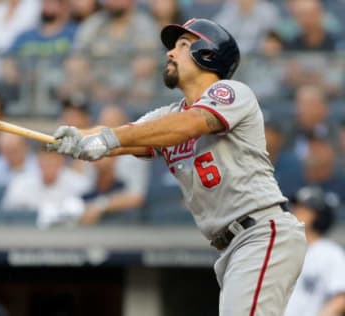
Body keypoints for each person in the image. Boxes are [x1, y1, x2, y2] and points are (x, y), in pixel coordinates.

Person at [48, 18, 307, 315]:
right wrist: (75, 137)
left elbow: (189, 124)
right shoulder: (169, 115)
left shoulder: (232, 92)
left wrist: (108, 139)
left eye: (183, 45)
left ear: (208, 54)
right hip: (233, 244)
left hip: (260, 232)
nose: (170, 53)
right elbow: (125, 135)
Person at [284, 186, 345, 316]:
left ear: (319, 216)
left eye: (304, 209)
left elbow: (340, 298)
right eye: (296, 207)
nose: (295, 212)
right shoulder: (281, 249)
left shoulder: (331, 253)